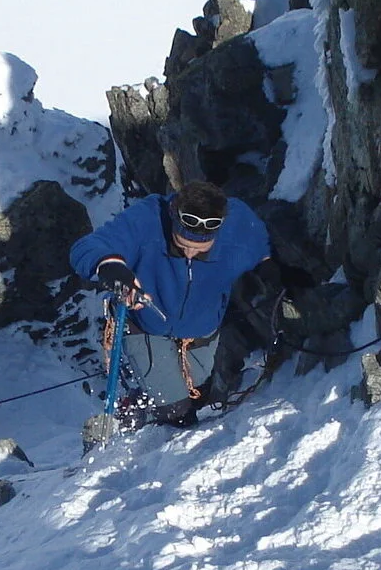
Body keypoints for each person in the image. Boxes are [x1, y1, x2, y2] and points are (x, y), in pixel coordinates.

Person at [70, 180, 279, 428]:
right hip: (145, 326)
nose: (190, 254)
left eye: (200, 250)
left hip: (201, 330)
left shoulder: (239, 225)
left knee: (199, 394)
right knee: (177, 411)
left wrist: (274, 272)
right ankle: (130, 421)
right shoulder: (148, 218)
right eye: (182, 247)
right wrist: (111, 266)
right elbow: (86, 247)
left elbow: (263, 249)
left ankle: (147, 398)